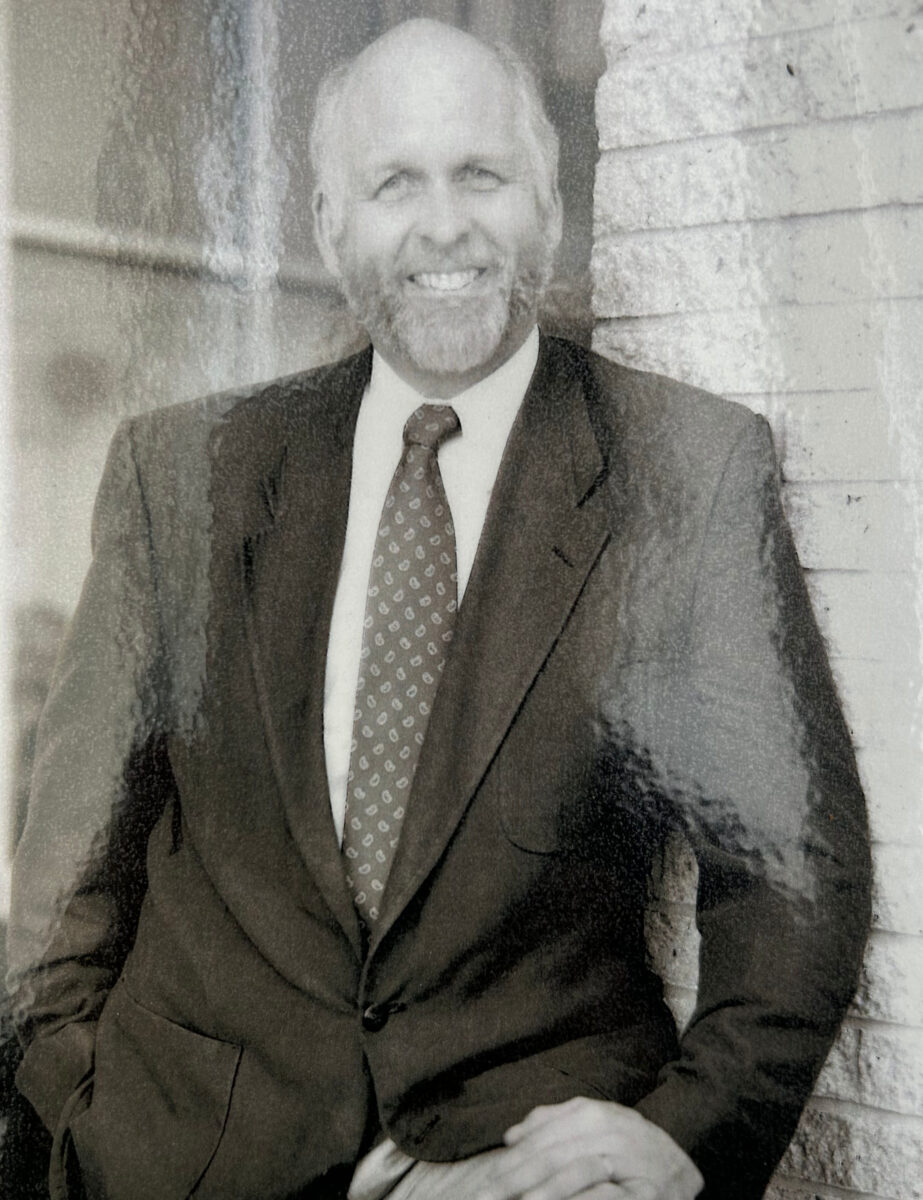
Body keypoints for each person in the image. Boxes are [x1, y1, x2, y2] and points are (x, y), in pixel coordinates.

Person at [6, 18, 871, 1200]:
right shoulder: (182, 473)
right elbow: (68, 874)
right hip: (179, 1157)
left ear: (548, 206)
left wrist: (681, 1133)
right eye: (392, 184)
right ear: (327, 223)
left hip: (516, 1171)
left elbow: (789, 869)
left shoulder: (685, 469)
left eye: (481, 175)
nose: (443, 226)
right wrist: (90, 1112)